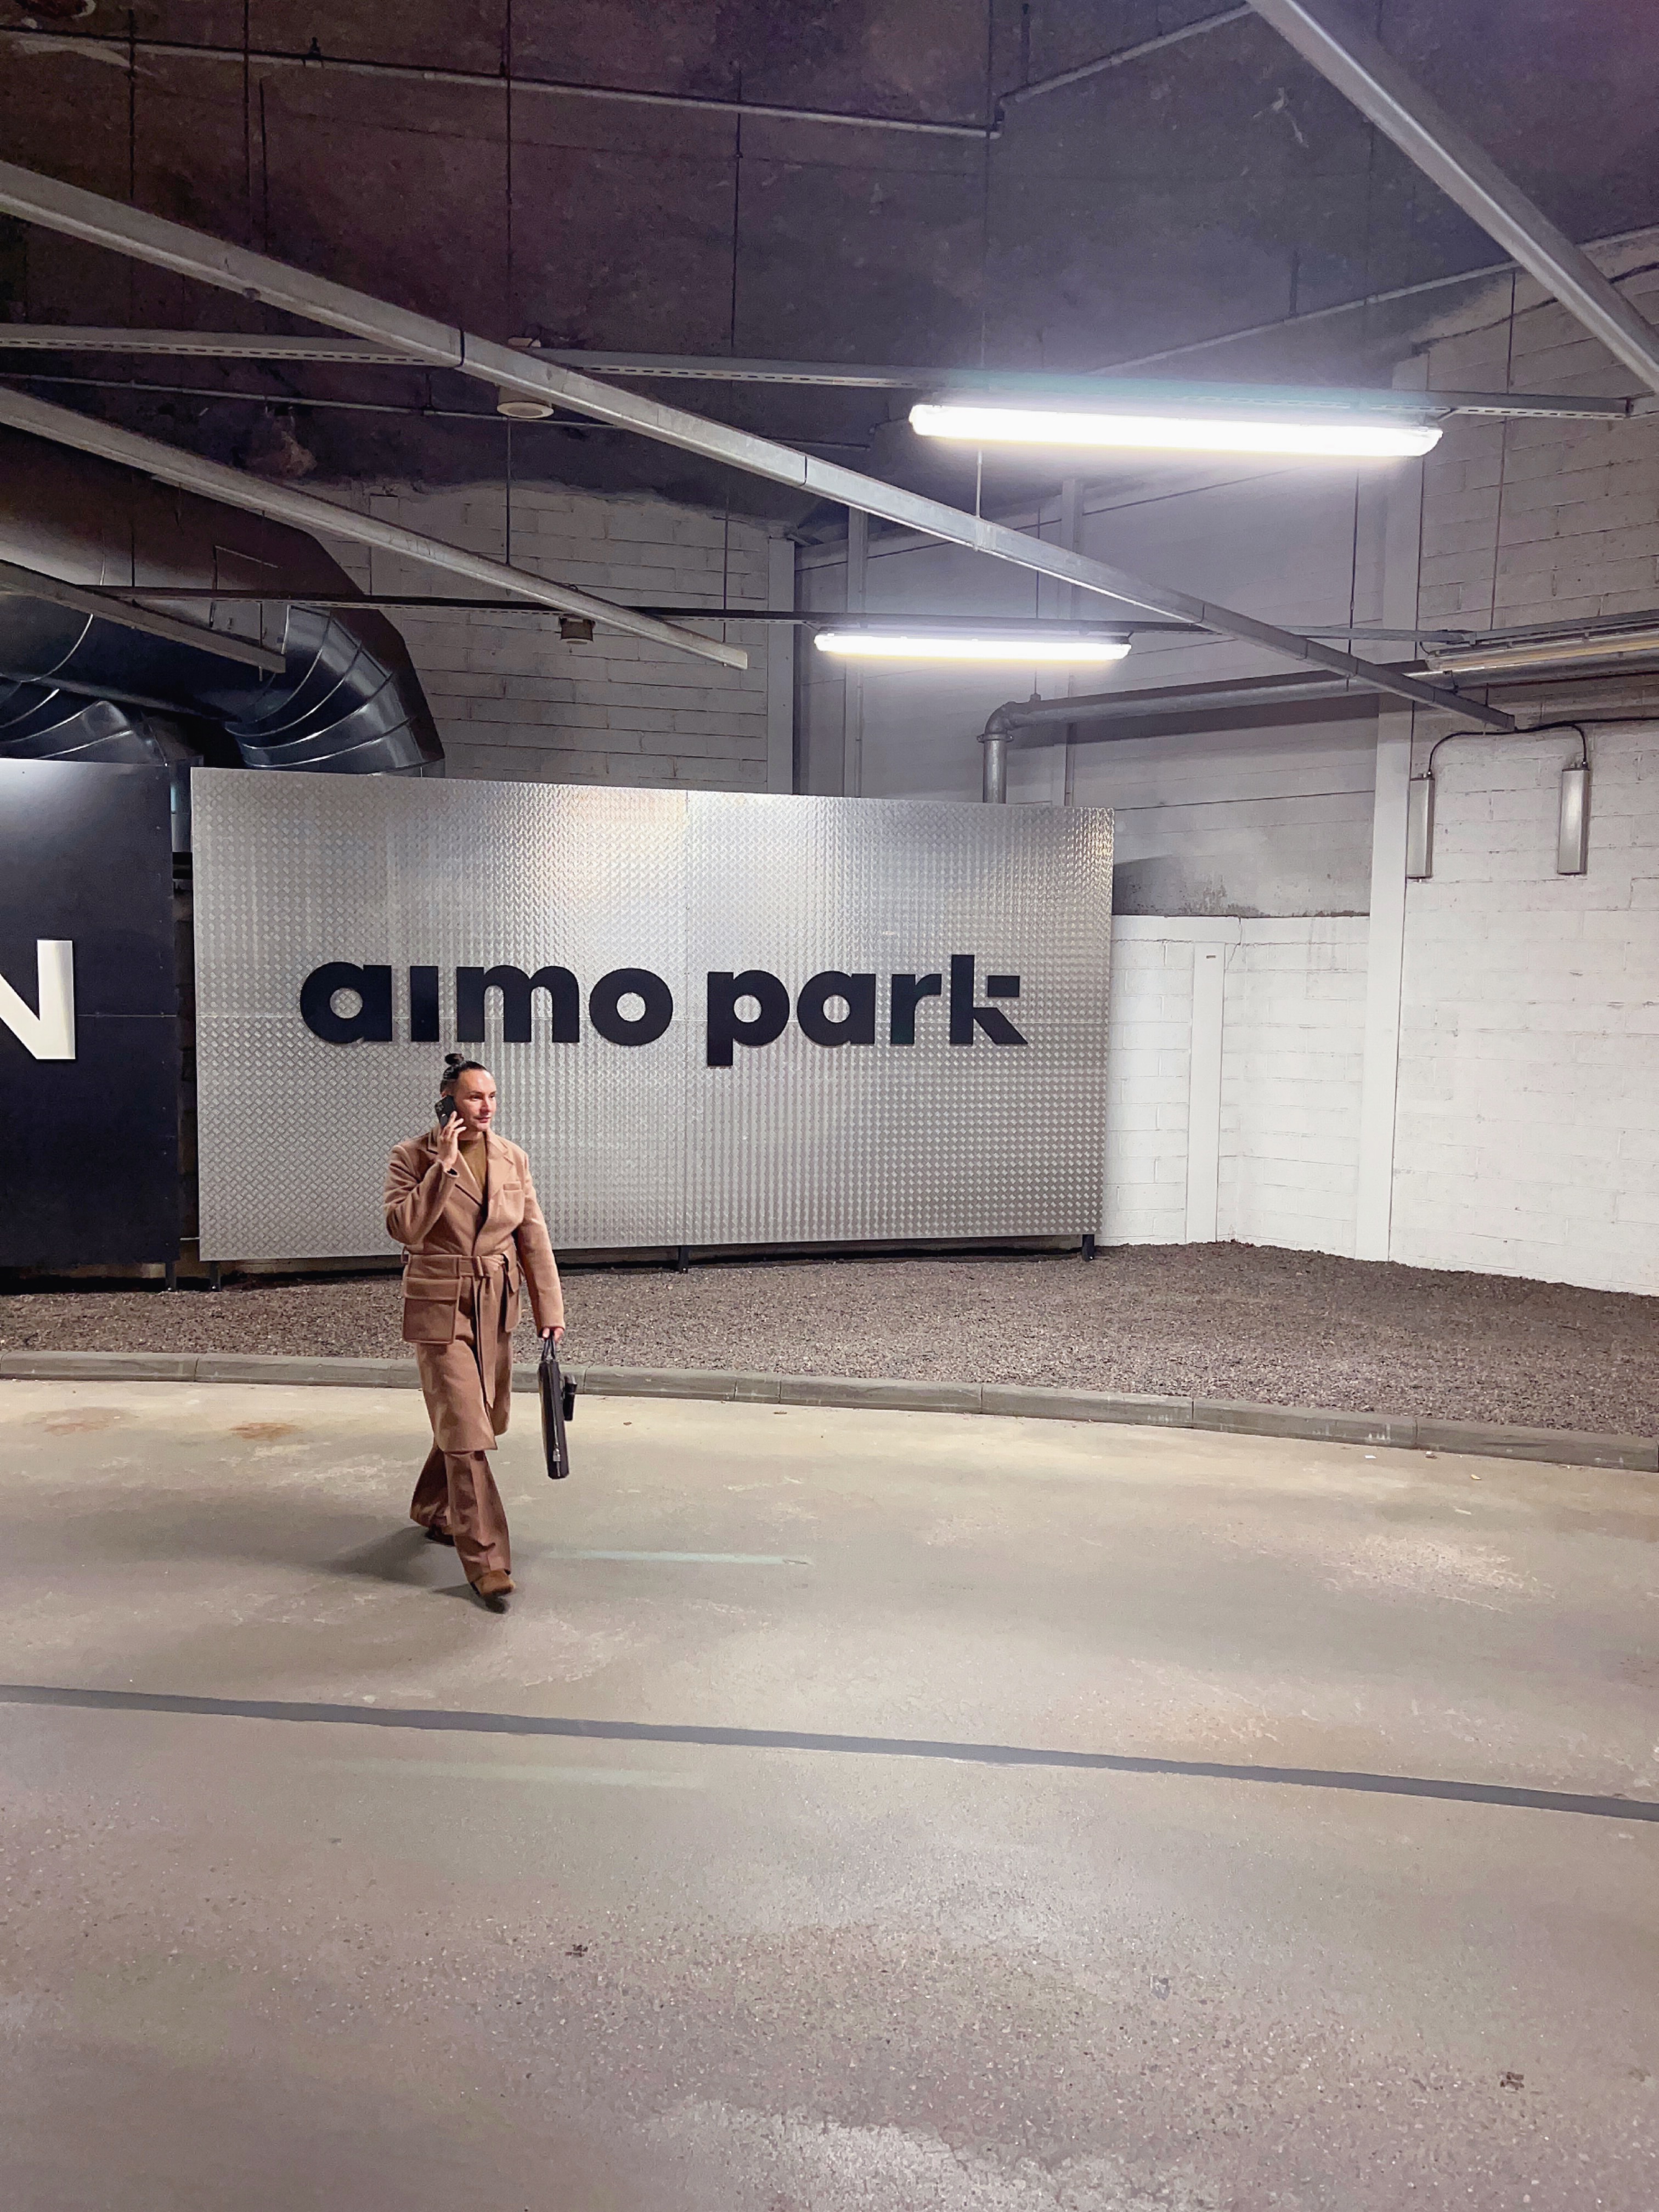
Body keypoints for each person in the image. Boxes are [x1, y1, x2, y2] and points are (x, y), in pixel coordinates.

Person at [384, 1053, 564, 1610]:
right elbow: (403, 1226)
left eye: (491, 1097)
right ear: (448, 1103)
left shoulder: (513, 1158)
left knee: (480, 1421)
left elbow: (532, 1236)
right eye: (472, 1097)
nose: (485, 1107)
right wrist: (443, 1168)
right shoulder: (411, 1157)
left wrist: (549, 1310)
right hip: (440, 1308)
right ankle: (487, 1562)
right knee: (467, 1433)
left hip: (496, 1307)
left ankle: (432, 1509)